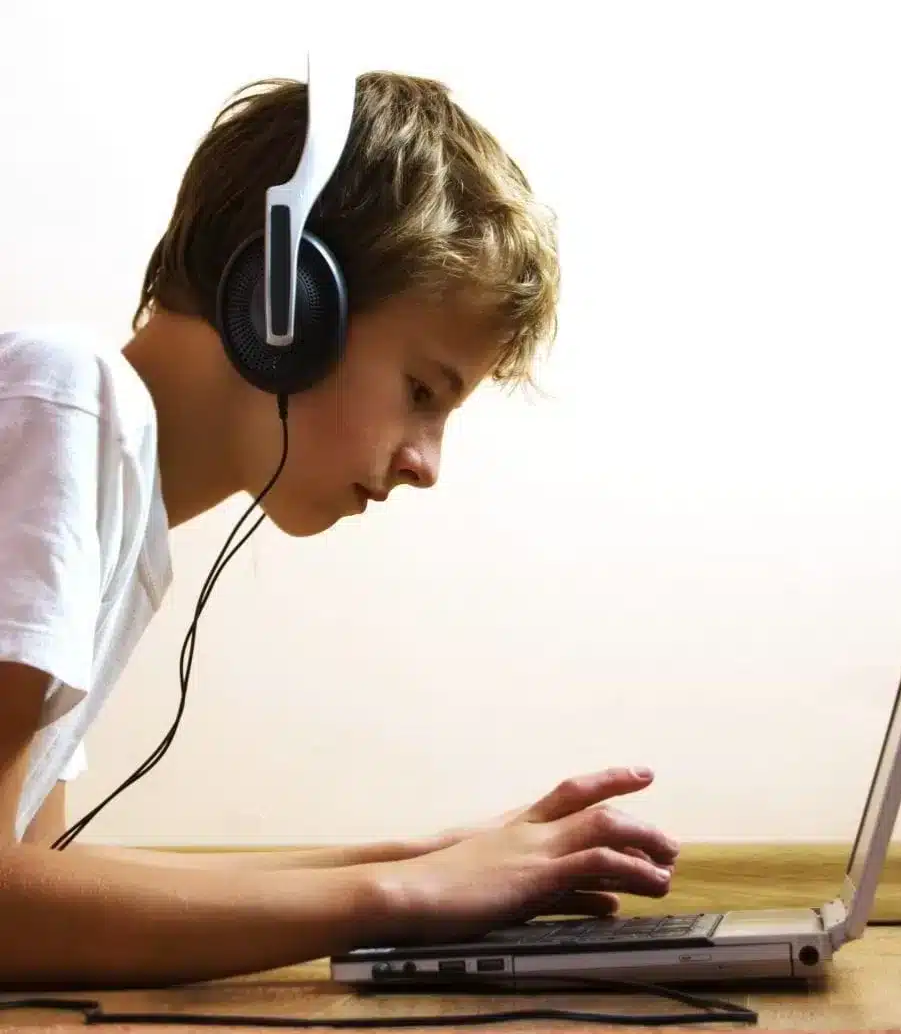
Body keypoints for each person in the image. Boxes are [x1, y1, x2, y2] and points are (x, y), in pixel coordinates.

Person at [0, 71, 679, 988]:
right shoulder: (65, 400)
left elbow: (50, 885)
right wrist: (403, 896)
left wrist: (424, 862)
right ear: (286, 310)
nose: (426, 464)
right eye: (422, 394)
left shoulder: (111, 490)